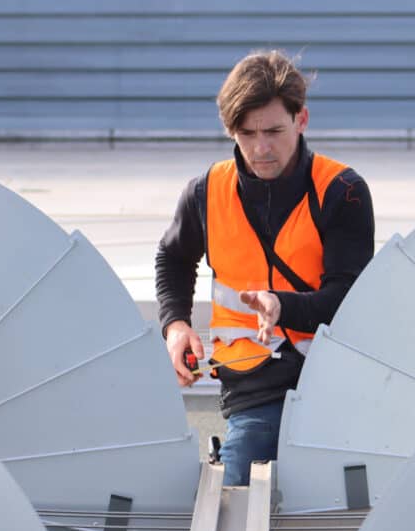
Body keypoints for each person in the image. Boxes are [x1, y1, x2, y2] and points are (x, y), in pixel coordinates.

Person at [155, 50, 375, 486]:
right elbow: (173, 258)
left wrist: (281, 307)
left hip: (333, 379)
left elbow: (347, 299)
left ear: (302, 120)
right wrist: (175, 324)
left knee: (339, 499)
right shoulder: (206, 192)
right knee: (237, 491)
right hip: (254, 386)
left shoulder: (343, 191)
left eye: (274, 131)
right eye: (246, 133)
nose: (260, 148)